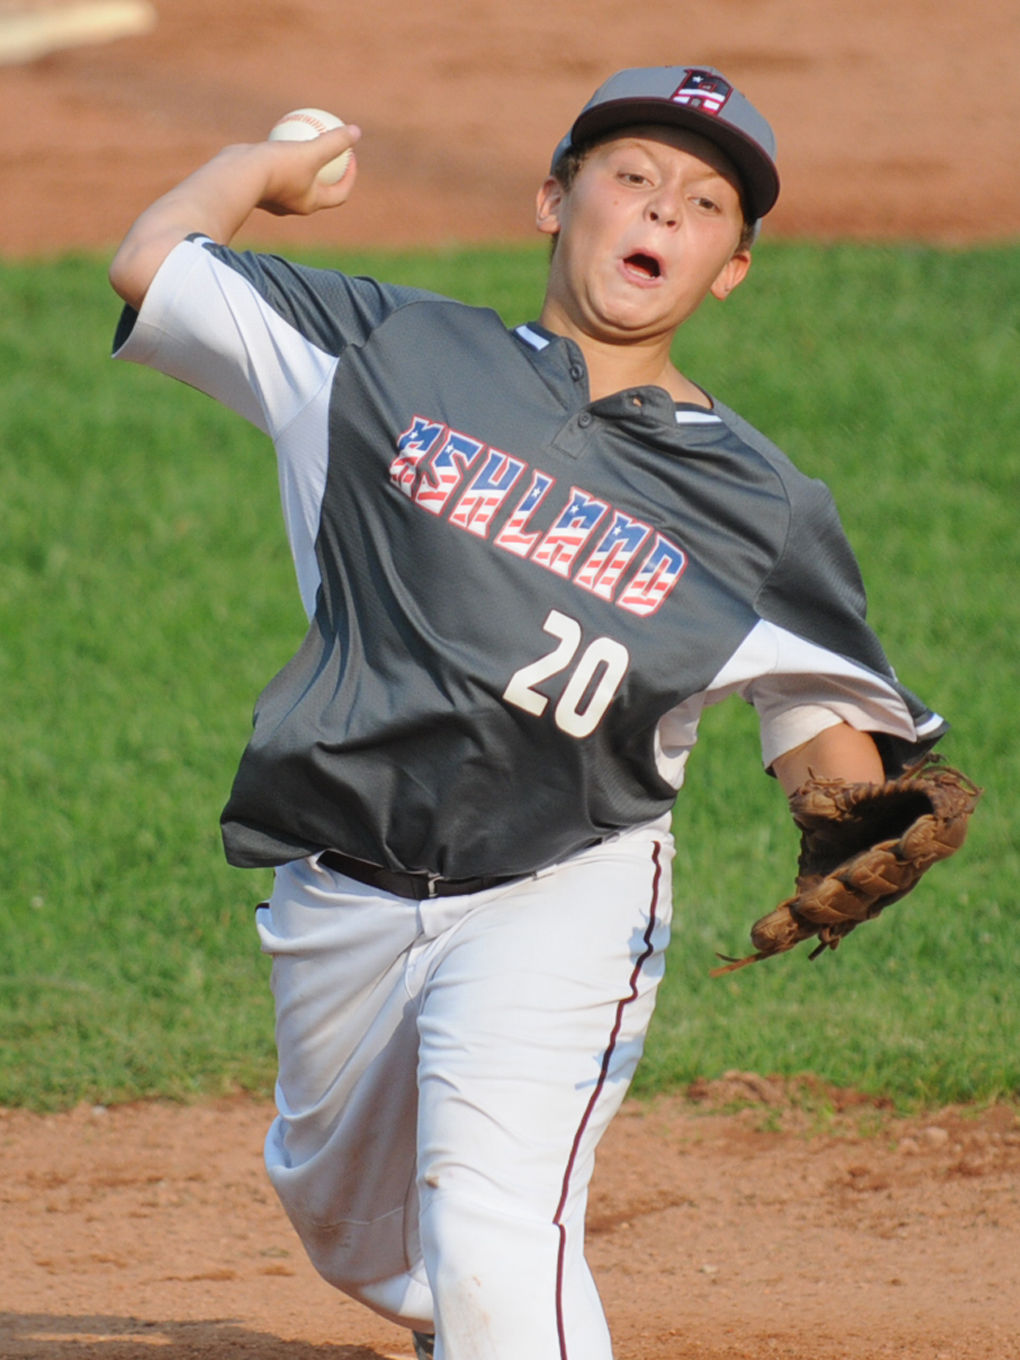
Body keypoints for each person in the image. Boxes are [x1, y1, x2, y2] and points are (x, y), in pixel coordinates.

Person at [109, 65, 947, 1360]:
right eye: (631, 177)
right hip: (345, 889)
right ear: (555, 199)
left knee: (496, 1220)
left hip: (568, 888)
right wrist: (258, 174)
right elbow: (154, 262)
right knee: (355, 1232)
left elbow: (820, 718)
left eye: (706, 201)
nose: (661, 208)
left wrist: (851, 813)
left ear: (728, 267)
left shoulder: (763, 505)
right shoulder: (385, 352)